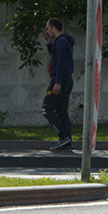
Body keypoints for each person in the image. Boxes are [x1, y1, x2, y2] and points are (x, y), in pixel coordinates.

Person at [41, 18, 75, 151]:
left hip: (60, 79)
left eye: (48, 28)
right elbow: (57, 57)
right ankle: (67, 141)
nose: (47, 31)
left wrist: (57, 82)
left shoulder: (60, 42)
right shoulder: (63, 41)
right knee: (61, 111)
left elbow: (60, 63)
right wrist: (49, 45)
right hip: (67, 79)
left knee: (46, 109)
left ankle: (63, 136)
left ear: (54, 28)